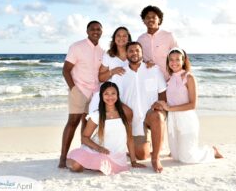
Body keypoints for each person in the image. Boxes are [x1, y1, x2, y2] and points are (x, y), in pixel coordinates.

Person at [158, 47, 223, 164]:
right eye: (171, 60)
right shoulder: (169, 79)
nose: (174, 62)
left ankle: (212, 151)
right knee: (176, 157)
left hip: (187, 119)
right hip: (173, 119)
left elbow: (193, 105)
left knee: (187, 158)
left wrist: (170, 108)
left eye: (178, 59)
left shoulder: (189, 77)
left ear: (183, 61)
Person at [66, 82, 146, 175]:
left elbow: (130, 138)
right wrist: (99, 148)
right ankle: (76, 161)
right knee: (76, 166)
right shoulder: (97, 115)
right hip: (96, 149)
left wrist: (133, 161)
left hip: (115, 155)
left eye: (113, 93)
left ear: (118, 95)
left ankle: (89, 163)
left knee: (102, 166)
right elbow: (84, 138)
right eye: (106, 94)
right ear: (101, 96)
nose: (110, 97)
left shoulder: (125, 112)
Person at [113, 41, 167, 173]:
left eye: (137, 50)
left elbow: (162, 94)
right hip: (133, 118)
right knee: (142, 155)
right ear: (126, 54)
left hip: (151, 113)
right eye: (131, 51)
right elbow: (113, 98)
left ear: (142, 53)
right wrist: (123, 108)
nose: (134, 53)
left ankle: (156, 158)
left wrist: (159, 105)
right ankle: (147, 145)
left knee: (157, 116)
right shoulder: (120, 73)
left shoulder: (153, 70)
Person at [58, 20, 104, 168]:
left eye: (98, 29)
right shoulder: (77, 47)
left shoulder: (102, 50)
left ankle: (82, 155)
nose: (95, 31)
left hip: (94, 92)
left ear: (101, 32)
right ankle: (63, 158)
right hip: (79, 90)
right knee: (73, 122)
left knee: (87, 125)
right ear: (87, 31)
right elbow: (65, 70)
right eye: (92, 29)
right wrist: (73, 89)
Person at [88, 26, 132, 113]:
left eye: (124, 36)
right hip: (113, 95)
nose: (121, 38)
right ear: (114, 38)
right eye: (118, 35)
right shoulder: (109, 55)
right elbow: (101, 78)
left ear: (128, 38)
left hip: (130, 92)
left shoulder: (133, 53)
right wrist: (112, 71)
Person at [137, 5, 178, 80]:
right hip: (149, 80)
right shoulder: (140, 40)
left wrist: (186, 76)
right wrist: (144, 64)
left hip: (169, 79)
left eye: (154, 17)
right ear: (144, 21)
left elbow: (181, 57)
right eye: (148, 17)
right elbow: (138, 60)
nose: (150, 19)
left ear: (159, 20)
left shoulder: (169, 36)